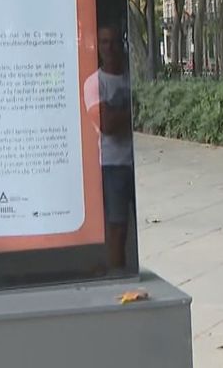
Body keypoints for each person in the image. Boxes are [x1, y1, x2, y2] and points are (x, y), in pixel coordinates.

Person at [84, 24, 135, 270]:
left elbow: (117, 118)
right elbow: (108, 125)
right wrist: (134, 111)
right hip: (112, 165)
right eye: (104, 42)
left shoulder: (131, 76)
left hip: (138, 162)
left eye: (114, 41)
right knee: (117, 228)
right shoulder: (93, 83)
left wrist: (120, 114)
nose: (110, 48)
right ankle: (117, 276)